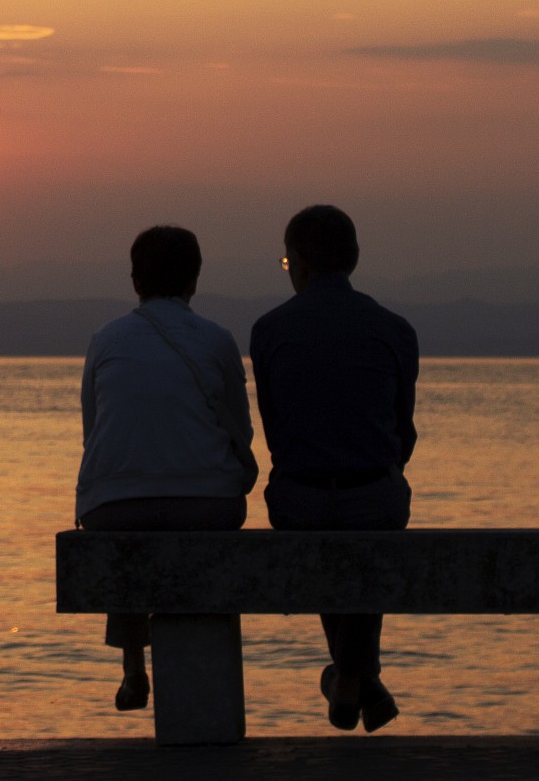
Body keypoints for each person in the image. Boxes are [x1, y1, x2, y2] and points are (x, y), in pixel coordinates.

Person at [75, 225, 259, 713]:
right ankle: (200, 692)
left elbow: (94, 433)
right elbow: (241, 430)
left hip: (115, 509)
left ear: (135, 280)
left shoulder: (105, 339)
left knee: (127, 527)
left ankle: (134, 668)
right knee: (183, 534)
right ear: (194, 280)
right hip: (207, 504)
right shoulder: (216, 340)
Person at [250, 204, 419, 734]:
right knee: (368, 520)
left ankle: (349, 677)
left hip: (298, 500)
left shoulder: (270, 330)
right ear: (355, 259)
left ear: (299, 264)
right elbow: (402, 434)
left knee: (325, 519)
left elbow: (277, 434)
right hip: (374, 500)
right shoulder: (395, 329)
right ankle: (356, 677)